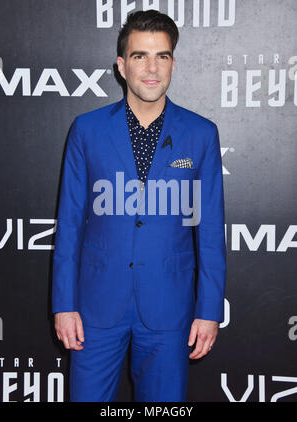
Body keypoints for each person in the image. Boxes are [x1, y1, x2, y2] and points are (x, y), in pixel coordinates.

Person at [52, 10, 226, 402]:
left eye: (161, 56)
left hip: (170, 305)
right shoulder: (87, 130)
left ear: (173, 63)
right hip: (95, 307)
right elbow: (69, 224)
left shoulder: (201, 134)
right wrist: (64, 304)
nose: (151, 68)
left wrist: (209, 309)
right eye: (139, 56)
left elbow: (211, 229)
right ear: (121, 65)